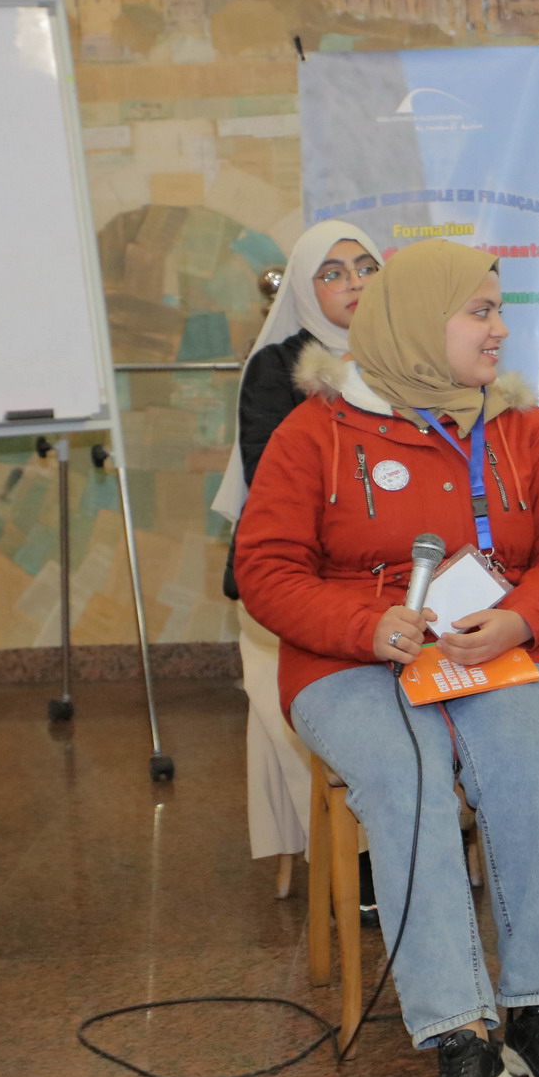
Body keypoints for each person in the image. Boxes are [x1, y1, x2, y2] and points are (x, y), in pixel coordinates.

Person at [236, 238, 539, 1077]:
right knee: (406, 782)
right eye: (479, 312)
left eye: (498, 310)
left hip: (509, 648)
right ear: (414, 322)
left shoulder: (520, 428)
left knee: (535, 772)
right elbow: (265, 570)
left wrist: (519, 618)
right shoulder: (315, 432)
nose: (499, 329)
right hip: (355, 661)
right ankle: (457, 1031)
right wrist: (362, 625)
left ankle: (533, 1007)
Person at [211, 219, 379, 899]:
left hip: (391, 578)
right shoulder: (275, 367)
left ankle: (420, 830)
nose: (354, 283)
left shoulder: (409, 355)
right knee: (324, 705)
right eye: (332, 273)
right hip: (296, 581)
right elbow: (273, 482)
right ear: (306, 292)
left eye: (365, 267)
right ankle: (356, 856)